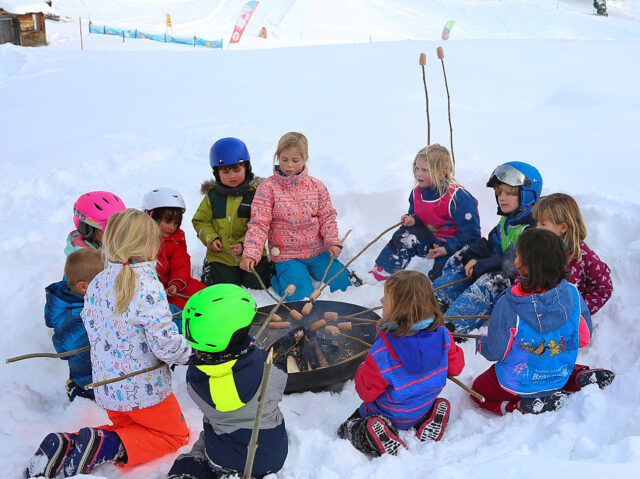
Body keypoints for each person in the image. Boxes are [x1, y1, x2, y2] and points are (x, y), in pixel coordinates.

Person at [26, 209, 192, 479]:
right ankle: (107, 445)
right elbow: (164, 345)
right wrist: (188, 352)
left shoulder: (97, 281)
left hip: (108, 391)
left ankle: (72, 444)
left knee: (131, 429)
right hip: (147, 393)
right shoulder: (148, 285)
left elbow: (92, 327)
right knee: (174, 436)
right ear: (150, 245)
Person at [471, 228, 614, 416]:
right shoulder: (573, 293)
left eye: (518, 255)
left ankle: (518, 406)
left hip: (518, 382)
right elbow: (584, 338)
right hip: (559, 375)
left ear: (524, 265)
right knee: (550, 361)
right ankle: (576, 376)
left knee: (477, 391)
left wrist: (481, 343)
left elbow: (496, 351)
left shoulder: (509, 303)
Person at [337, 270, 464, 457]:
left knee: (348, 428)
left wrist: (365, 368)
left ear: (401, 309)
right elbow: (456, 368)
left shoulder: (383, 352)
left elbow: (367, 392)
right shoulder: (444, 335)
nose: (381, 301)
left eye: (387, 297)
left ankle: (375, 433)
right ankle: (428, 416)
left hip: (389, 413)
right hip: (422, 404)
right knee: (419, 397)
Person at [168, 284, 288, 479]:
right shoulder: (267, 368)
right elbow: (280, 380)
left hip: (222, 455)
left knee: (206, 440)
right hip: (270, 455)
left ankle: (188, 471)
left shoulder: (195, 378)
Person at [240, 132, 352, 302]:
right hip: (287, 254)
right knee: (300, 296)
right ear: (278, 156)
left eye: (295, 160)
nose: (289, 166)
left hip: (317, 251)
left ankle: (317, 272)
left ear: (305, 158)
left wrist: (331, 241)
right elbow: (259, 224)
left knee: (343, 285)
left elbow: (327, 217)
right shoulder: (267, 188)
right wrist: (251, 253)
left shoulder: (316, 186)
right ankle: (276, 277)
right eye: (284, 159)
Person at [433, 161, 542, 334]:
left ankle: (453, 326)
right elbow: (491, 243)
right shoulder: (508, 219)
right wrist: (472, 256)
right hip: (497, 267)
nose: (502, 198)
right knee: (461, 256)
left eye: (509, 193)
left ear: (527, 195)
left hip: (518, 283)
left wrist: (481, 265)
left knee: (492, 281)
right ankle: (438, 300)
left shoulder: (532, 229)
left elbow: (513, 263)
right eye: (499, 193)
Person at [370, 144, 481, 282]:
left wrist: (447, 249)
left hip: (455, 246)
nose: (418, 173)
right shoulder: (417, 193)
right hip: (431, 239)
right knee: (406, 235)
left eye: (425, 170)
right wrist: (412, 220)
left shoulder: (458, 198)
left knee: (439, 277)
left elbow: (472, 235)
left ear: (442, 172)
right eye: (416, 168)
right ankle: (382, 272)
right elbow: (418, 215)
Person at [193, 137, 271, 289]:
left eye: (237, 170)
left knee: (257, 284)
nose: (232, 176)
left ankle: (268, 268)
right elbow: (200, 221)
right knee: (225, 286)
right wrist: (211, 238)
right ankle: (211, 267)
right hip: (222, 255)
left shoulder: (256, 194)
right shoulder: (213, 196)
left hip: (252, 253)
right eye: (225, 171)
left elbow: (262, 224)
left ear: (246, 168)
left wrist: (245, 244)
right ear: (216, 172)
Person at [533, 193, 613, 316]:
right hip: (538, 316)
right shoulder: (538, 249)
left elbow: (603, 287)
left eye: (543, 224)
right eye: (537, 223)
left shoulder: (583, 256)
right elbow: (523, 276)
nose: (537, 228)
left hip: (570, 325)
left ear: (563, 227)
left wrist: (578, 310)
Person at [44, 248, 104, 401]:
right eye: (103, 282)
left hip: (89, 369)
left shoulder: (75, 302)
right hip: (89, 375)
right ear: (84, 287)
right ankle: (78, 394)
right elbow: (73, 346)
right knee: (89, 396)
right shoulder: (75, 315)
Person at [143, 187, 206, 310]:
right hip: (152, 290)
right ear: (153, 218)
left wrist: (176, 283)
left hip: (175, 283)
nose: (172, 227)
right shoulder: (140, 240)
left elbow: (181, 264)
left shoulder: (176, 239)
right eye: (168, 222)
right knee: (182, 308)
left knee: (202, 294)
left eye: (176, 223)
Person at [64, 191, 125, 255]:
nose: (118, 232)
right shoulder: (84, 262)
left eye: (123, 223)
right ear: (88, 229)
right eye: (110, 227)